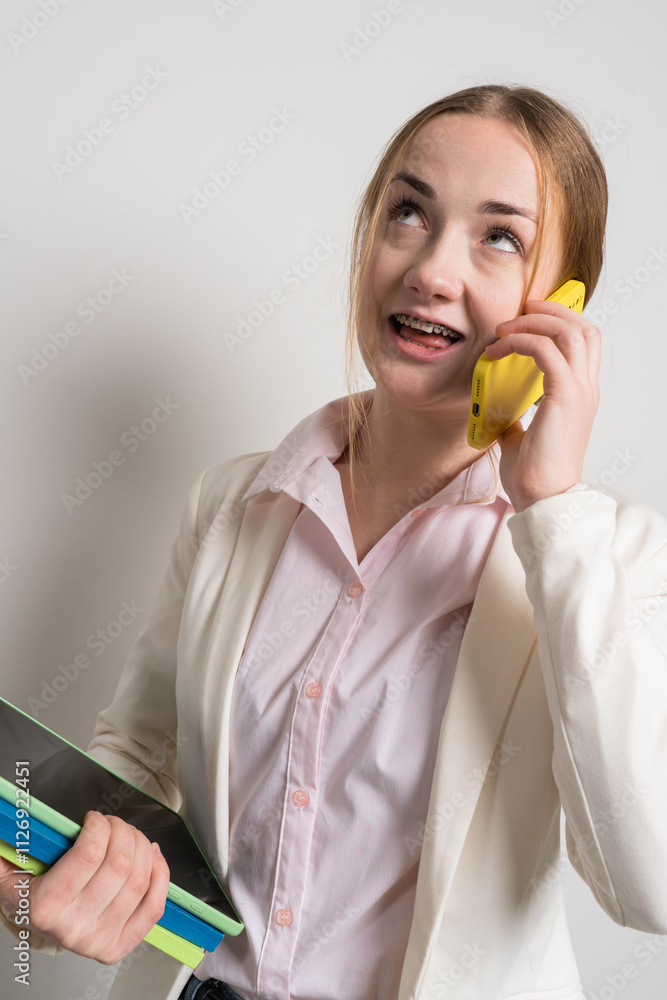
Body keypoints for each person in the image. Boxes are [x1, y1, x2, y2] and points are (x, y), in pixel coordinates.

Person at [2, 83, 667, 1000]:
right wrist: (34, 878)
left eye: (498, 236)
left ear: (560, 306)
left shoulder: (601, 558)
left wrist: (549, 507)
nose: (431, 269)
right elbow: (141, 757)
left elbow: (650, 883)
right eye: (407, 212)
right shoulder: (232, 501)